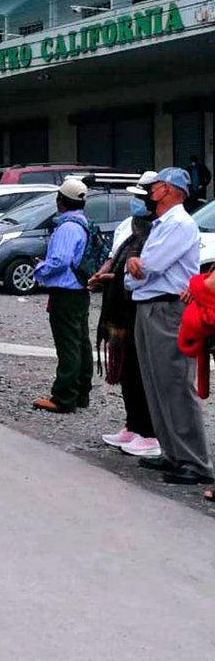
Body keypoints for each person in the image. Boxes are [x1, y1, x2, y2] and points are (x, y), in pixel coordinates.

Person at [126, 167, 213, 486]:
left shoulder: (178, 223)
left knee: (175, 382)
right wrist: (135, 268)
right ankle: (173, 451)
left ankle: (194, 460)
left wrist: (137, 267)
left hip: (166, 307)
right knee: (155, 381)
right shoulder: (162, 224)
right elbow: (134, 270)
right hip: (149, 303)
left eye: (159, 185)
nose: (153, 190)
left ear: (173, 190)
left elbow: (150, 266)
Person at [93, 173, 159, 457]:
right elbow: (116, 255)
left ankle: (150, 431)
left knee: (142, 371)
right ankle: (133, 424)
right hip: (120, 305)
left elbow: (143, 270)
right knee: (127, 370)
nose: (134, 202)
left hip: (140, 306)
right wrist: (104, 274)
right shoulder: (131, 225)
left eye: (139, 198)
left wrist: (115, 276)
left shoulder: (159, 229)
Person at [31, 179, 94, 414]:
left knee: (68, 345)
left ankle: (63, 396)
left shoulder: (67, 227)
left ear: (61, 201)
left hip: (65, 292)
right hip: (80, 291)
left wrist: (40, 269)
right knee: (81, 343)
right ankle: (81, 393)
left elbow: (60, 261)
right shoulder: (84, 223)